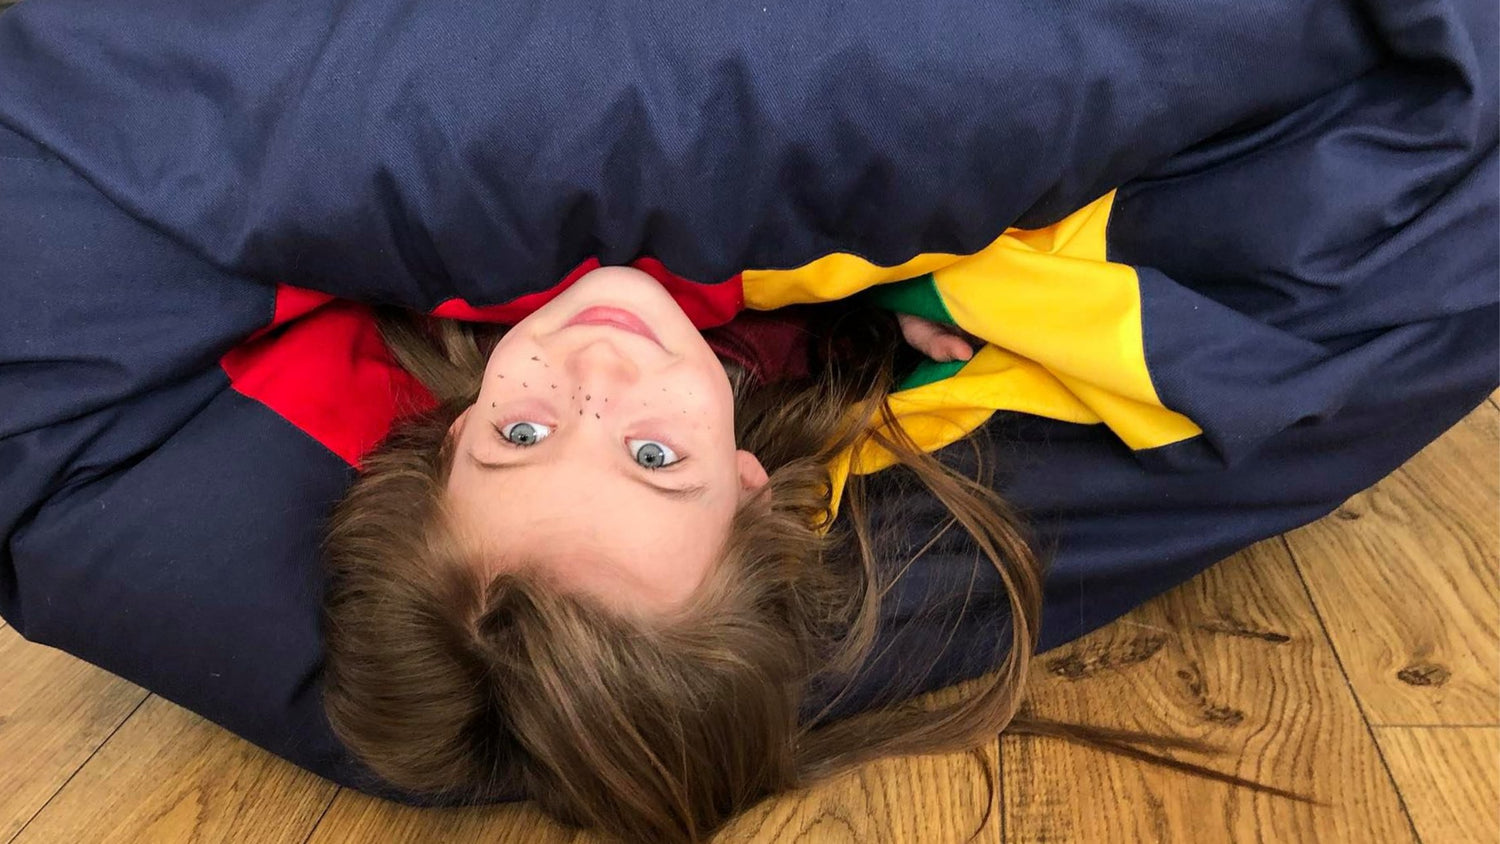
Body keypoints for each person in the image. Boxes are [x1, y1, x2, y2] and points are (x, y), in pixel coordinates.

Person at [320, 264, 1046, 843]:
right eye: (654, 455)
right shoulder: (816, 356)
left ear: (454, 435)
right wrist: (902, 284)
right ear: (747, 488)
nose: (599, 371)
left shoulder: (437, 279)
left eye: (521, 438)